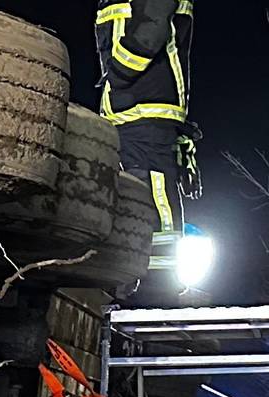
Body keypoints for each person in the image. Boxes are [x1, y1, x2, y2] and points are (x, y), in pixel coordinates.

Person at [93, 0, 197, 241]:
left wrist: (119, 72)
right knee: (136, 202)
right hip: (132, 115)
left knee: (152, 201)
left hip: (144, 111)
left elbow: (153, 23)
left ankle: (159, 274)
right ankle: (141, 270)